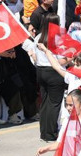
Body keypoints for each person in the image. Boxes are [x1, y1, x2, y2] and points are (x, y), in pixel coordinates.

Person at [23, 14, 66, 142]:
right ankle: (51, 133)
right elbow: (60, 61)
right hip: (54, 72)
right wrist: (71, 58)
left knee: (45, 102)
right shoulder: (58, 39)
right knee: (54, 103)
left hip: (41, 72)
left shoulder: (38, 37)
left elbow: (35, 57)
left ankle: (44, 133)